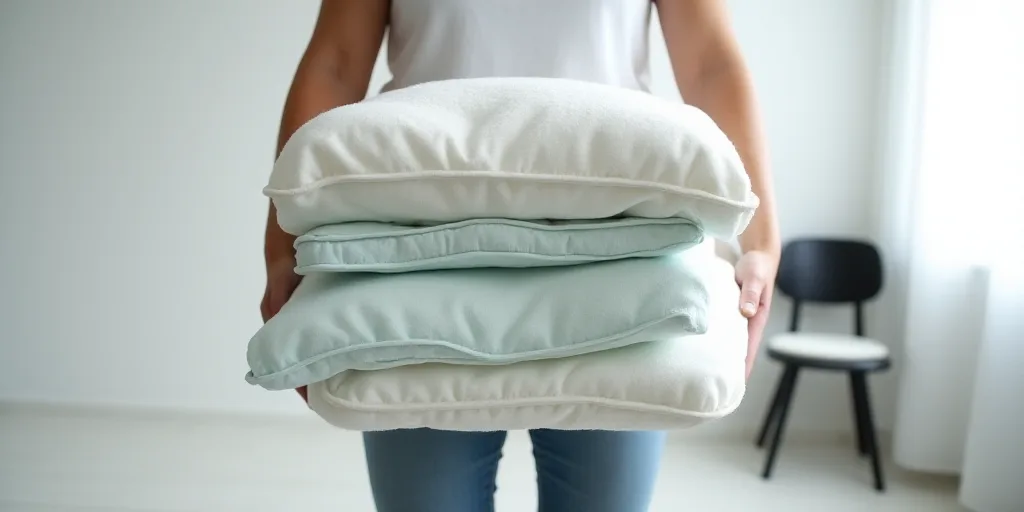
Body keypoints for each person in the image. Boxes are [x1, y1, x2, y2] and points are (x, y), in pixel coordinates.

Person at [261, 1, 780, 510]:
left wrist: (761, 241)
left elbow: (710, 60)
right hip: (415, 257)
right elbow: (336, 61)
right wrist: (283, 244)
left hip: (625, 261)